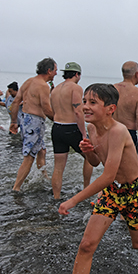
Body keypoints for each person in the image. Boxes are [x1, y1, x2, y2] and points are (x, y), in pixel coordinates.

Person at [58, 84, 138, 273]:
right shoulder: (92, 129)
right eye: (85, 101)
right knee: (86, 245)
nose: (85, 106)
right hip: (112, 192)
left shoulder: (118, 131)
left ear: (111, 109)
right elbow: (95, 162)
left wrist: (73, 200)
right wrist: (88, 152)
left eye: (93, 102)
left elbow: (108, 176)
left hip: (135, 191)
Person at [9, 58, 57, 191]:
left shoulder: (28, 81)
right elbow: (47, 109)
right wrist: (59, 121)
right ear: (49, 70)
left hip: (25, 119)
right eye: (55, 70)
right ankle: (16, 187)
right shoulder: (43, 85)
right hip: (35, 122)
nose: (56, 74)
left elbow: (16, 102)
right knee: (29, 157)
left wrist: (14, 122)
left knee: (42, 150)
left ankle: (44, 177)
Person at [50, 62, 93, 199]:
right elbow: (78, 112)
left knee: (58, 167)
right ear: (77, 74)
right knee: (90, 157)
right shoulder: (76, 88)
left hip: (56, 128)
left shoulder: (55, 89)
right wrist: (84, 133)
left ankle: (56, 197)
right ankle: (86, 189)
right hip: (71, 127)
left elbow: (53, 110)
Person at [113, 61, 138, 160]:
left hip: (111, 132)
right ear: (136, 74)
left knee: (112, 166)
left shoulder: (112, 89)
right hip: (128, 135)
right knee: (130, 170)